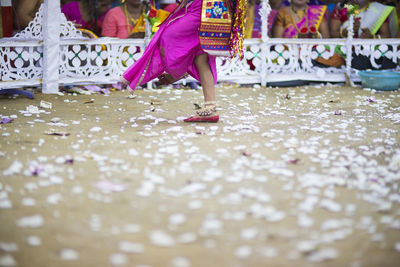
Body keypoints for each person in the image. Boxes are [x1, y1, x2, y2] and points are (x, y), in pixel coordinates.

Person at [121, 0, 246, 123]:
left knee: (167, 35)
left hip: (207, 8)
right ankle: (210, 106)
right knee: (201, 57)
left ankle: (177, 73)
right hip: (209, 8)